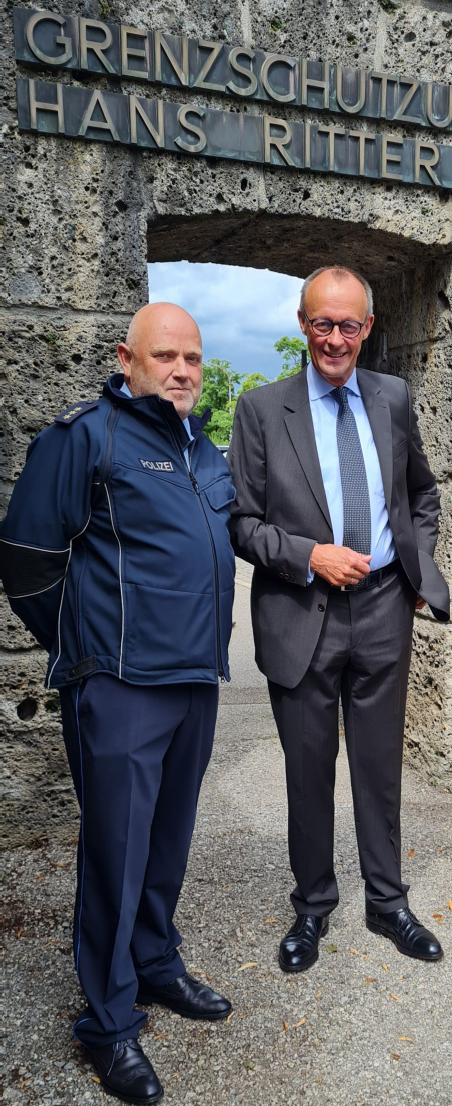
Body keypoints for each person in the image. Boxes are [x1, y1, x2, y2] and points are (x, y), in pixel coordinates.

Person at [0, 304, 237, 1104]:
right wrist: (88, 642)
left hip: (195, 684)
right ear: (125, 358)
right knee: (116, 852)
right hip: (121, 687)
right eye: (165, 355)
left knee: (166, 842)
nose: (181, 370)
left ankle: (157, 963)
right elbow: (28, 555)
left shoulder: (203, 449)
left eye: (193, 358)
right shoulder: (87, 436)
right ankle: (107, 1020)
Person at [228, 265, 450, 972]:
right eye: (321, 322)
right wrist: (308, 554)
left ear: (368, 328)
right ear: (302, 323)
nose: (334, 337)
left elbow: (422, 493)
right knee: (309, 770)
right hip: (301, 609)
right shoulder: (262, 410)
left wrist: (417, 566)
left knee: (381, 768)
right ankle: (313, 906)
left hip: (385, 606)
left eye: (347, 324)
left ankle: (387, 902)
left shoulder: (393, 397)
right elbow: (241, 523)